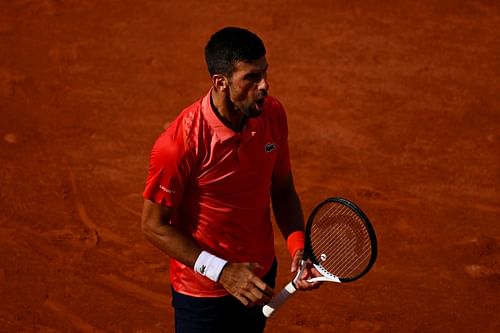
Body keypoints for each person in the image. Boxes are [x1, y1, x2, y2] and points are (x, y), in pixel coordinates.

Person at [141, 26, 321, 333]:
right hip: (202, 292)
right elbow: (153, 225)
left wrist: (299, 248)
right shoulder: (179, 144)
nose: (264, 85)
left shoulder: (272, 115)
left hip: (259, 277)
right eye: (251, 77)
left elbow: (282, 189)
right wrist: (222, 272)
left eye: (264, 73)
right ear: (221, 82)